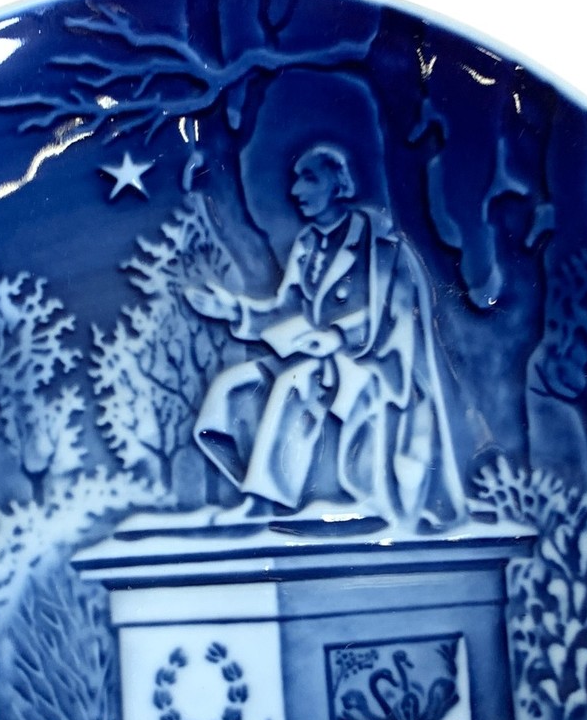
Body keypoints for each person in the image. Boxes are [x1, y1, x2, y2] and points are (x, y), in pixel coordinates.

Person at [185, 145, 469, 529]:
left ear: (338, 185)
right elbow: (287, 308)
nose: (296, 191)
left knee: (296, 383)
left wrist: (337, 336)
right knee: (232, 385)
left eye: (310, 179)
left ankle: (263, 503)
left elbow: (395, 311)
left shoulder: (380, 244)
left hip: (376, 363)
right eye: (296, 180)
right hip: (319, 356)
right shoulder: (308, 244)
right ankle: (250, 487)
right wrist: (234, 311)